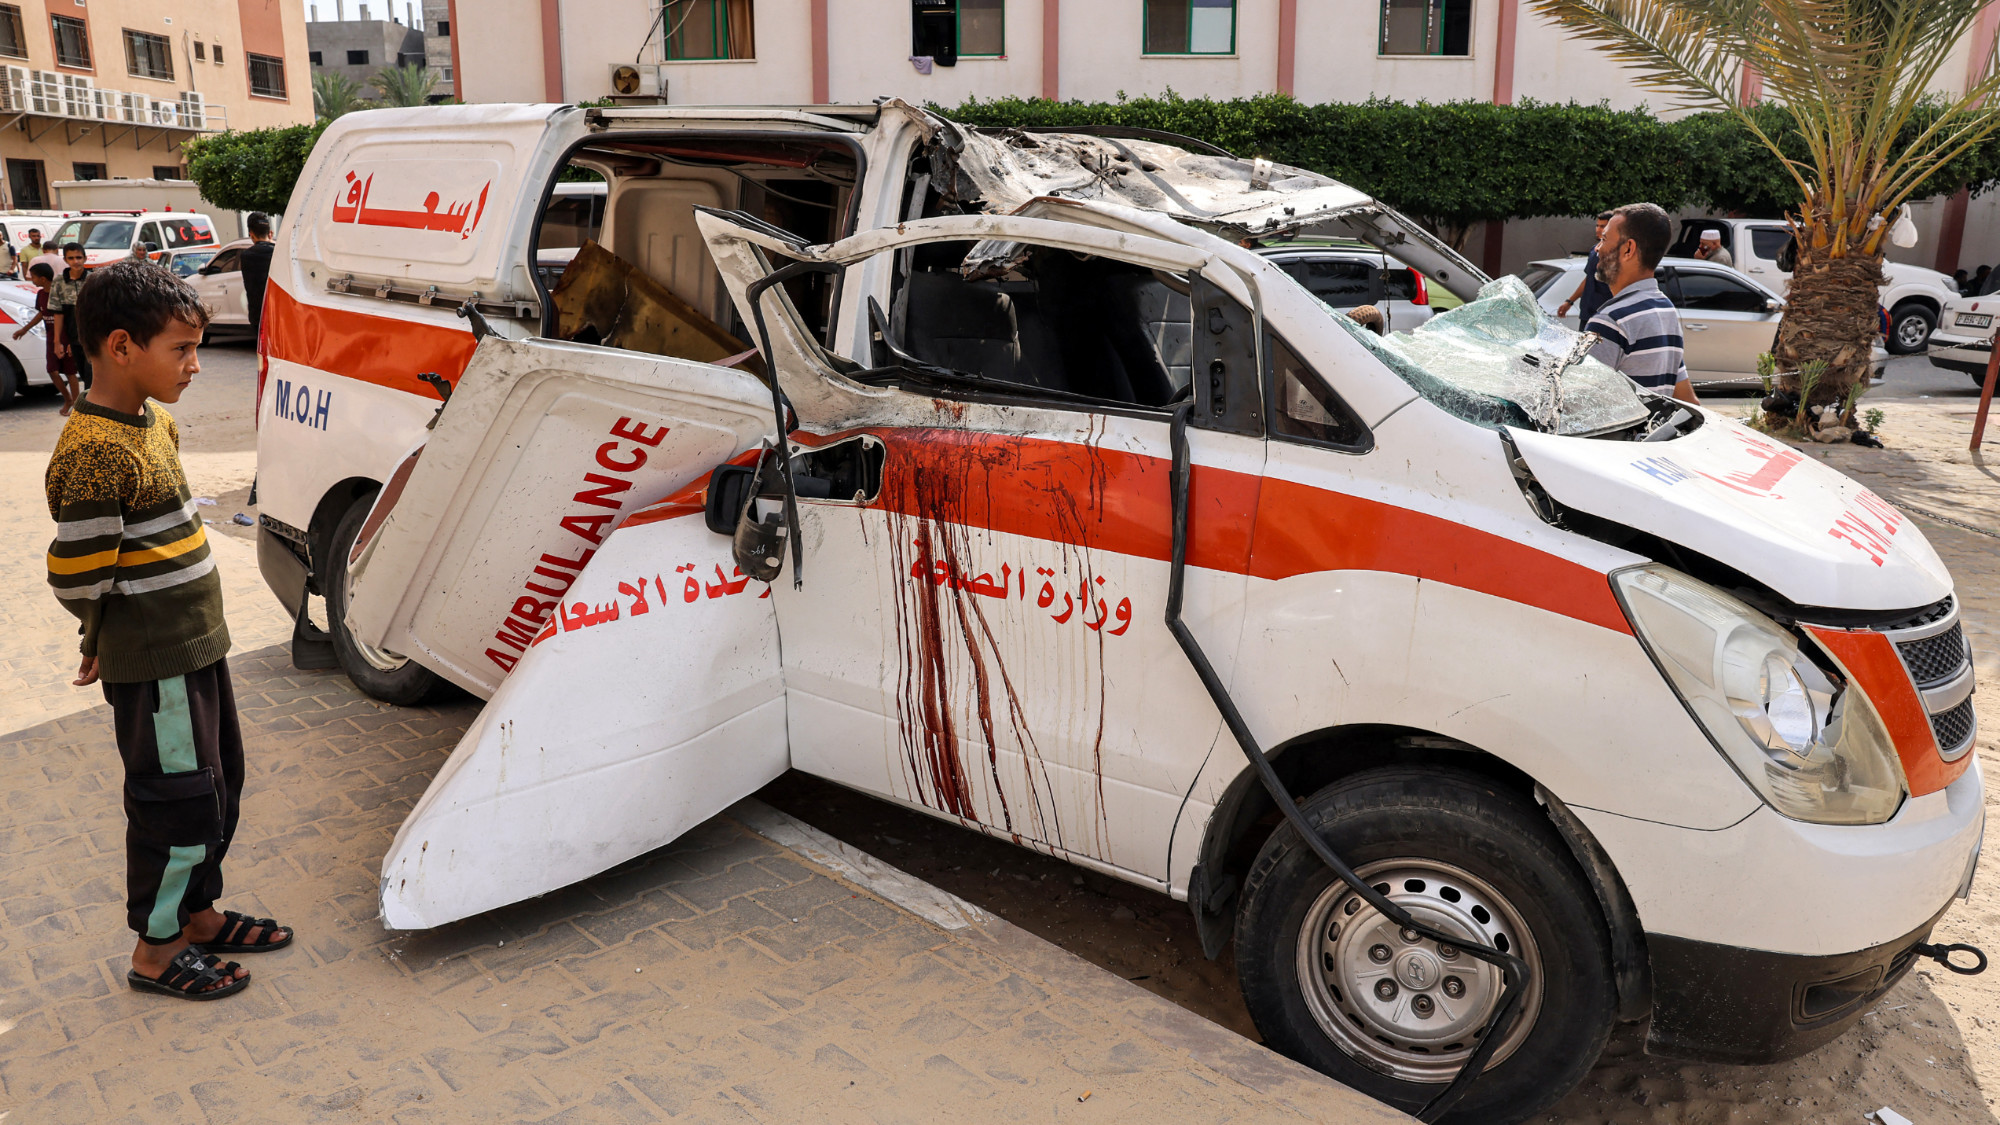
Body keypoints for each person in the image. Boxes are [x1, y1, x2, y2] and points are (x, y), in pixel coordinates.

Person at [44, 260, 293, 1002]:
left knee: (218, 786)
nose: (193, 364)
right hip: (155, 665)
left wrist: (100, 636)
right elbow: (79, 574)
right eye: (180, 349)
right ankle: (156, 949)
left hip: (197, 647)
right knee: (175, 800)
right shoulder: (93, 451)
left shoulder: (157, 422)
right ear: (121, 347)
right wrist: (100, 640)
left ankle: (201, 915)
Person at [1586, 202, 1699, 405]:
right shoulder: (1666, 310)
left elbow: (1581, 405)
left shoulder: (1610, 321)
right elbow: (1688, 400)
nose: (1597, 248)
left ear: (1628, 249)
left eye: (1604, 239)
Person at [15, 262, 78, 414]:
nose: (31, 280)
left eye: (33, 277)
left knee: (70, 372)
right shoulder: (40, 295)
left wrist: (72, 341)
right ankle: (67, 398)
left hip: (66, 337)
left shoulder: (62, 293)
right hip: (51, 338)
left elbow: (72, 317)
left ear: (43, 279)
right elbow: (41, 314)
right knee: (52, 370)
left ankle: (77, 405)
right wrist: (24, 329)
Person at [1556, 211, 1615, 326]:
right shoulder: (1594, 250)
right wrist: (1569, 301)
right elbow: (1589, 278)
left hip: (1605, 314)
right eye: (1597, 225)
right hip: (1587, 312)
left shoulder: (1618, 252)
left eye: (1602, 226)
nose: (1598, 229)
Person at [48, 243, 93, 389]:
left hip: (92, 338)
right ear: (66, 260)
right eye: (71, 258)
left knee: (91, 378)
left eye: (79, 257)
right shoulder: (59, 282)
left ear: (85, 258)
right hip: (74, 338)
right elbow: (58, 313)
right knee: (83, 374)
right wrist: (57, 342)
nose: (76, 261)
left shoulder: (93, 280)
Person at [239, 212, 276, 340]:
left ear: (251, 234)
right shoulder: (278, 253)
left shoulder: (246, 256)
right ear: (270, 233)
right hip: (279, 314)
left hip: (258, 316)